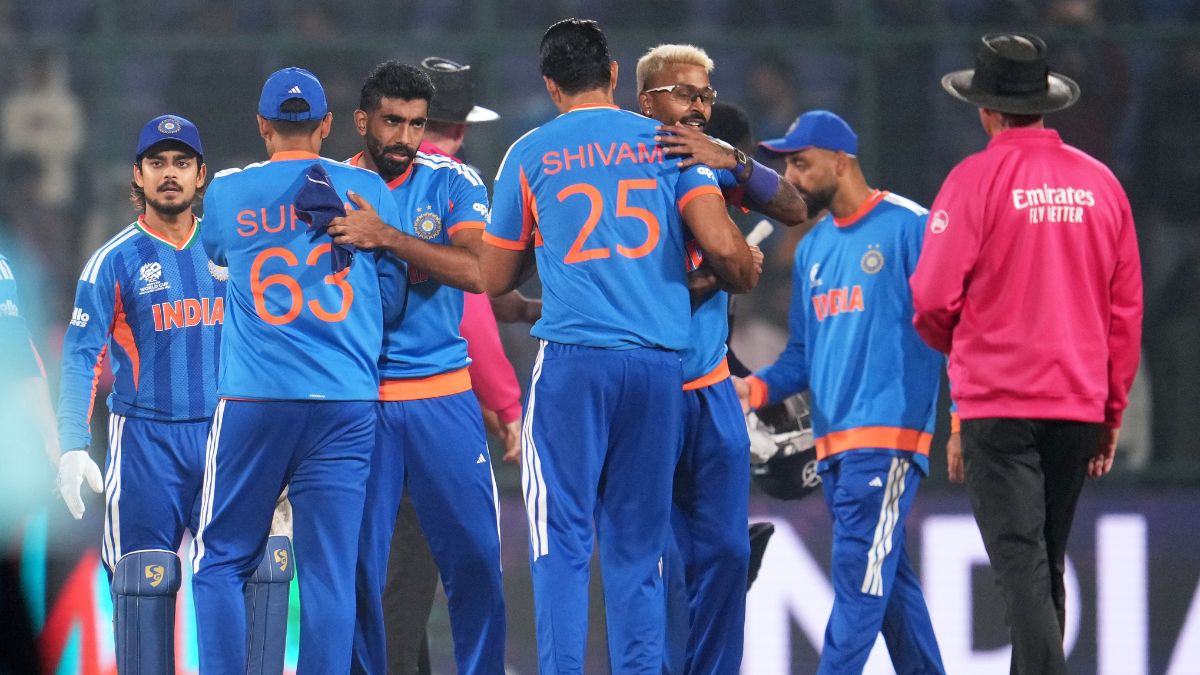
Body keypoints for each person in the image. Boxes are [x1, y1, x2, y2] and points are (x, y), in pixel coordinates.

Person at [480, 19, 759, 673]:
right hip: (660, 365)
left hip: (574, 363)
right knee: (639, 546)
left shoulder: (529, 152)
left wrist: (543, 246)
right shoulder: (669, 144)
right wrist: (742, 265)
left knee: (563, 539)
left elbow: (493, 280)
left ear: (550, 85)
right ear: (612, 75)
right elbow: (722, 246)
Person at [910, 33, 1143, 675]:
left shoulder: (973, 180)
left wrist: (955, 343)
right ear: (1044, 103)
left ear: (985, 109)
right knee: (1044, 567)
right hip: (1077, 404)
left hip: (1000, 408)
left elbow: (931, 297)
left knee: (1021, 572)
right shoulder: (1102, 185)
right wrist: (1111, 410)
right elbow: (1125, 312)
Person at [192, 67, 404, 674]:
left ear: (263, 126)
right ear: (328, 126)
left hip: (257, 400)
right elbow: (390, 296)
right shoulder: (367, 189)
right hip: (346, 402)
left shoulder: (231, 193)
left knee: (223, 560)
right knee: (329, 573)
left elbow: (215, 256)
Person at [734, 110, 946, 675]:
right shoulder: (813, 250)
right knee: (891, 590)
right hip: (832, 447)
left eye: (802, 164)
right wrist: (752, 389)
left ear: (841, 160)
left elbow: (957, 319)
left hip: (887, 438)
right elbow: (803, 356)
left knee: (857, 590)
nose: (794, 179)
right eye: (788, 167)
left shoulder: (910, 228)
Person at [634, 43, 807, 675]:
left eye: (705, 95)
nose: (699, 107)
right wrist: (719, 278)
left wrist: (732, 161)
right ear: (648, 99)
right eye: (686, 94)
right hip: (643, 389)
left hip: (706, 388)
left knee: (729, 555)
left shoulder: (715, 172)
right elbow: (629, 293)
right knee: (662, 564)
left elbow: (794, 206)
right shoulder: (628, 170)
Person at [332, 60, 506, 675]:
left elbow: (479, 271)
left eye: (415, 123)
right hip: (361, 403)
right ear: (362, 121)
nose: (404, 136)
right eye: (391, 122)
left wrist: (388, 238)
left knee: (478, 559)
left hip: (444, 399)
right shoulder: (327, 187)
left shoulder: (454, 182)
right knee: (365, 573)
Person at [54, 115, 225, 674]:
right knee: (141, 591)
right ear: (138, 175)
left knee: (236, 592)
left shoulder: (232, 252)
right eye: (158, 164)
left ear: (202, 175)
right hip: (145, 445)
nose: (169, 175)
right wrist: (73, 445)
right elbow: (82, 356)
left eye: (181, 163)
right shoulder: (113, 260)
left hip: (227, 440)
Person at [382, 55, 532, 675]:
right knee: (445, 562)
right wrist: (507, 406)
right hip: (432, 404)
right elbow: (471, 312)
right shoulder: (458, 182)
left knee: (391, 572)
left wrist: (517, 307)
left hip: (361, 405)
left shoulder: (365, 177)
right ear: (462, 126)